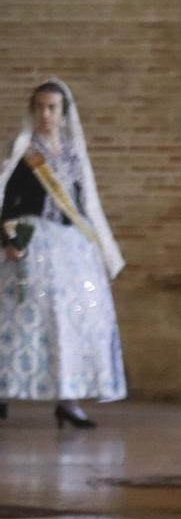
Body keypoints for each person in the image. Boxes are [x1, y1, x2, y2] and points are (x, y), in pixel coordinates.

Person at [0, 78, 126, 427]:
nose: (45, 113)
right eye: (39, 106)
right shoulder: (26, 151)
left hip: (74, 248)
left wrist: (98, 248)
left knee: (76, 320)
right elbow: (7, 201)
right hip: (33, 243)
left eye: (52, 107)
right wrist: (9, 240)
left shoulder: (74, 153)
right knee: (25, 319)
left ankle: (68, 400)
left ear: (64, 112)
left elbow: (85, 205)